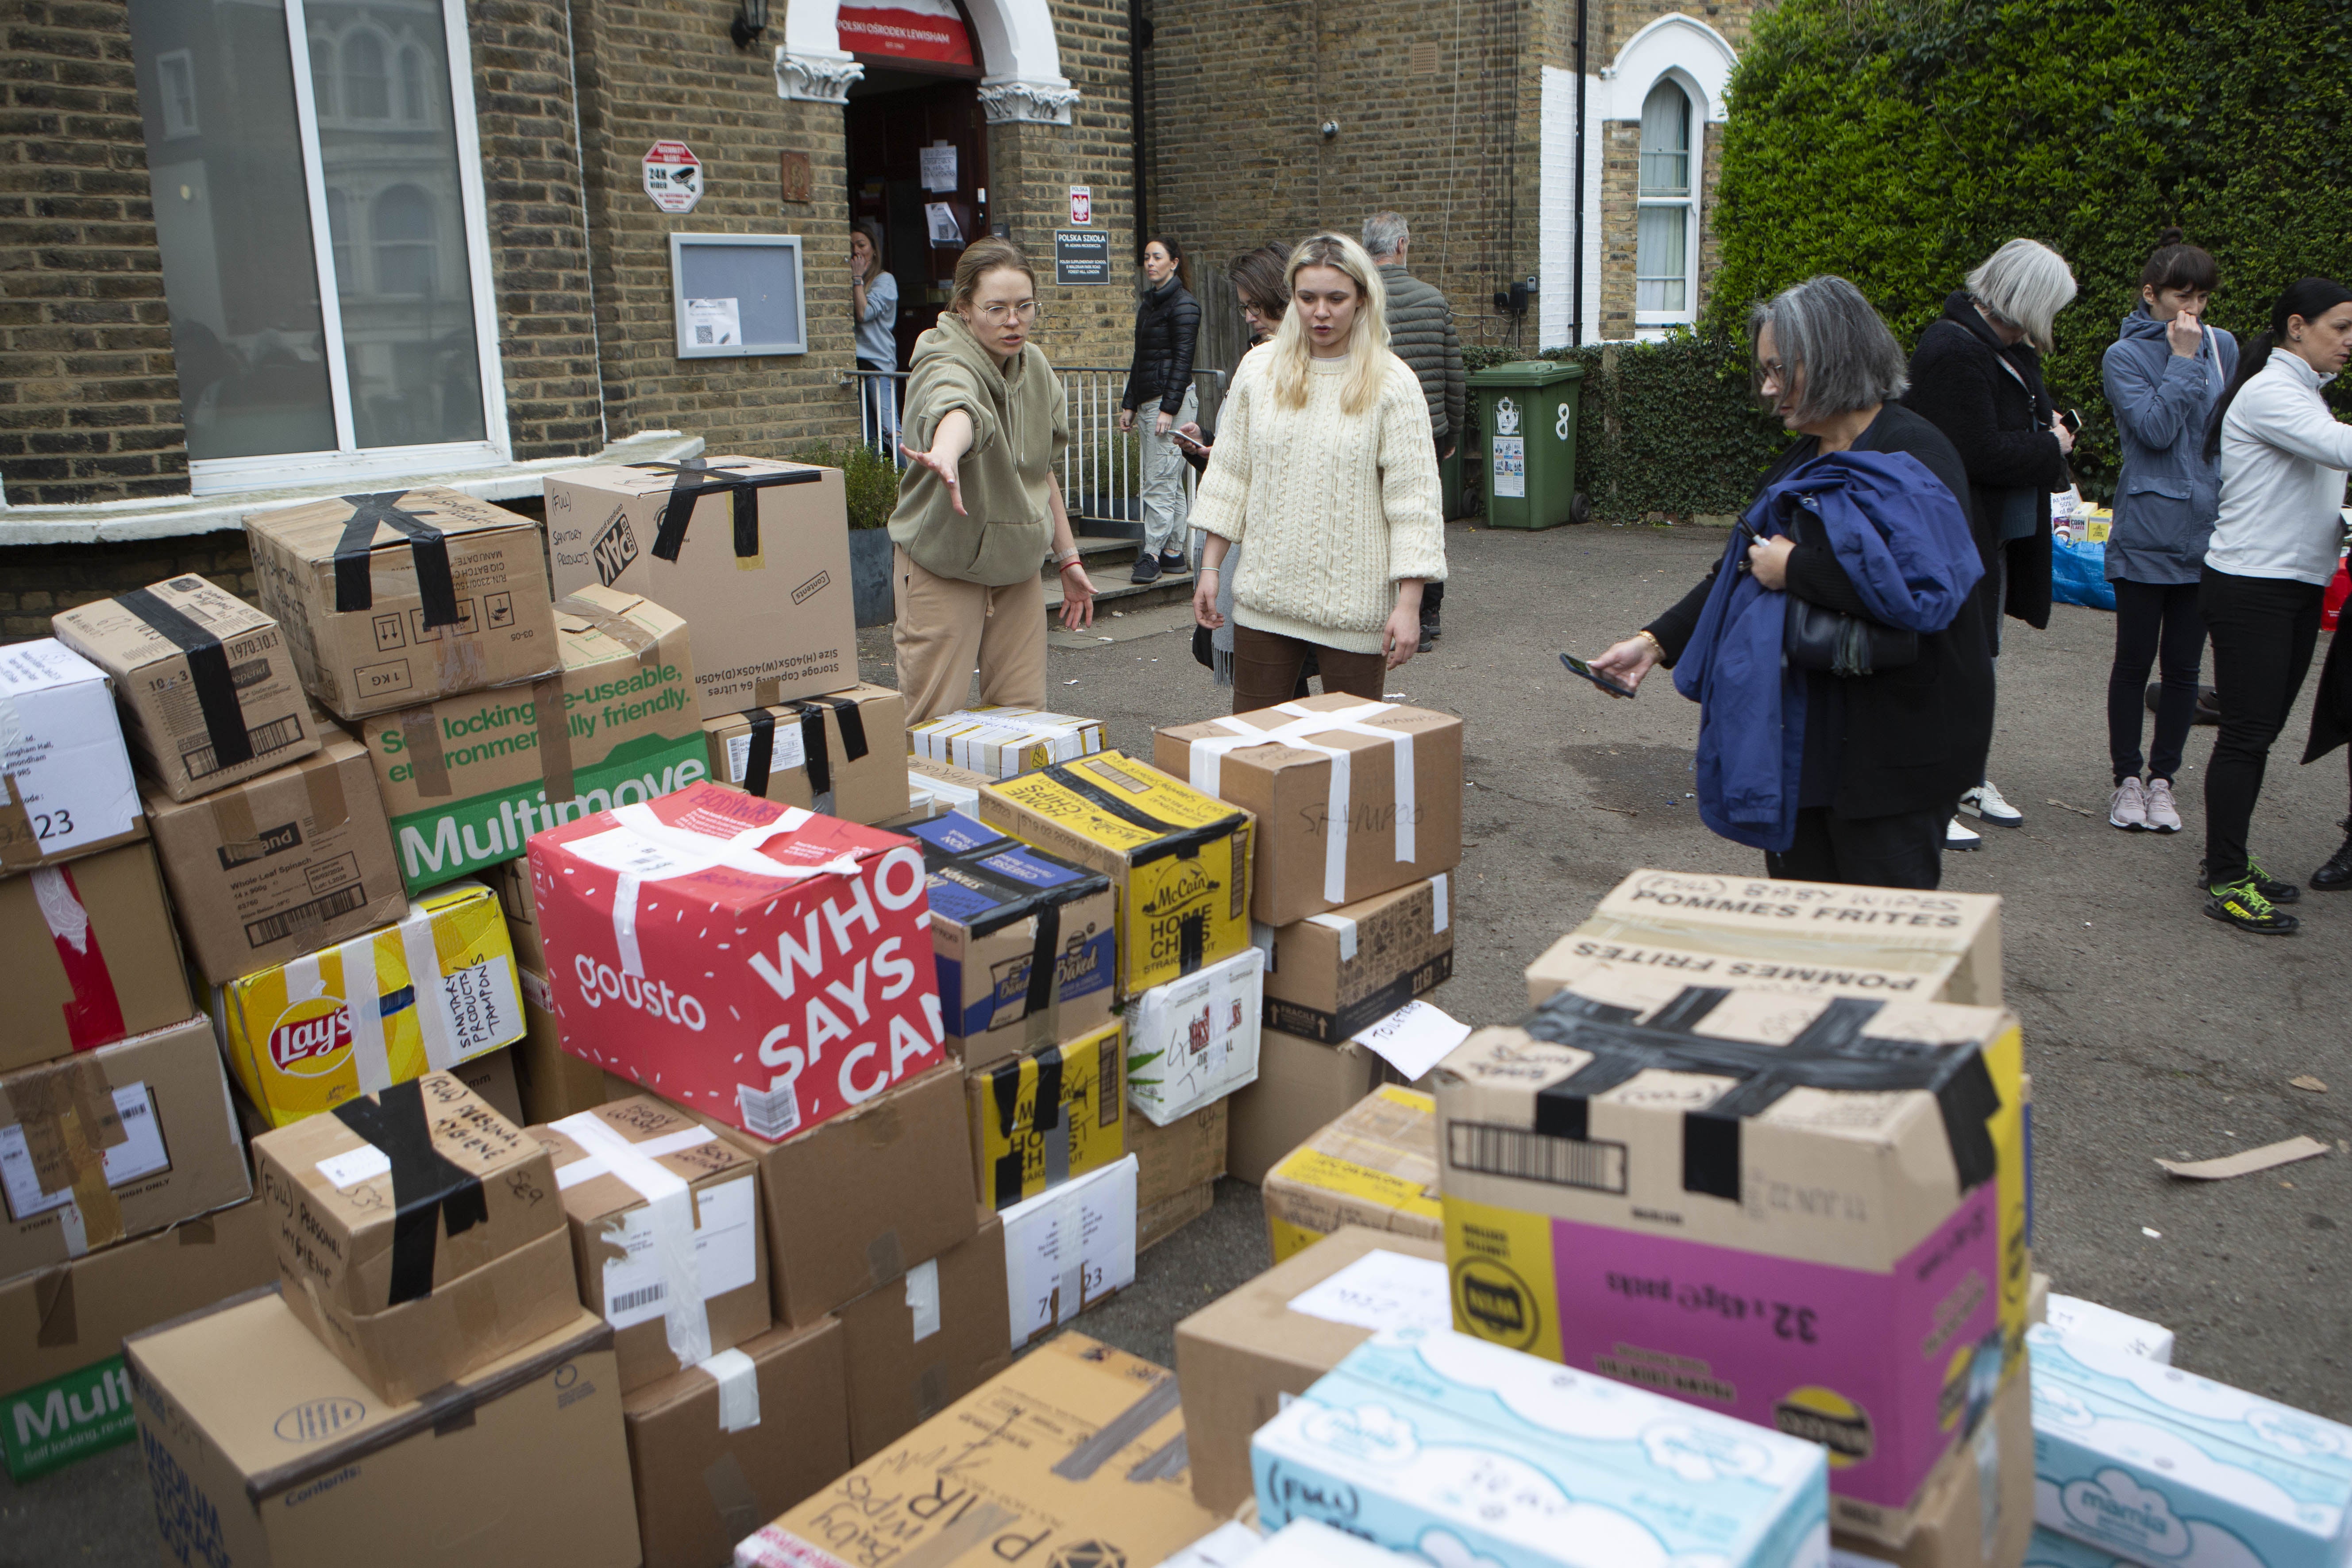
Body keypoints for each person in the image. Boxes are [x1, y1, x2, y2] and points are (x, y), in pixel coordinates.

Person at [1588, 276, 1990, 889]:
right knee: (1805, 937)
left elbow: (1926, 594)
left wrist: (1795, 568)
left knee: (1880, 953)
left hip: (1892, 759)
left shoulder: (1915, 454)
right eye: (1764, 371)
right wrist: (1654, 641)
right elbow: (1742, 568)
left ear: (1831, 357)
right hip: (1805, 750)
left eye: (1779, 369)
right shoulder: (1806, 454)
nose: (1768, 388)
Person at [1189, 232, 1446, 710]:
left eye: (1336, 298)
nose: (1320, 312)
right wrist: (1210, 568)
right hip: (1263, 601)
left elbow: (1414, 505)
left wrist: (1409, 605)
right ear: (1292, 298)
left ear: (1363, 299)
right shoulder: (1258, 370)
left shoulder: (1394, 383)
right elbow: (1230, 476)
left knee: (1349, 756)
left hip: (1356, 608)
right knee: (1257, 751)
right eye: (1307, 298)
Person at [1904, 237, 2078, 850]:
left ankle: (1964, 777)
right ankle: (1929, 792)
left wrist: (2044, 432)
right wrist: (2049, 446)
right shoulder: (1952, 349)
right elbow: (1970, 451)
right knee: (1949, 661)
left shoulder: (2000, 345)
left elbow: (2019, 419)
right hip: (1955, 532)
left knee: (1978, 658)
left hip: (1992, 533)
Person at [2193, 276, 2352, 932]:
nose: (2348, 342)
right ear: (2295, 327)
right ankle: (2226, 877)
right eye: (2339, 328)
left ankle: (2228, 859)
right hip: (2253, 587)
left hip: (2288, 585)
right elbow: (2343, 448)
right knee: (2246, 735)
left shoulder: (2303, 394)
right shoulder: (2269, 393)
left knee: (2256, 733)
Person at [890, 238, 1098, 724]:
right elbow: (958, 406)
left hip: (1016, 564)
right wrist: (945, 450)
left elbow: (1038, 469)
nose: (1013, 321)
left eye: (1024, 307)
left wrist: (1067, 559)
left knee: (1024, 719)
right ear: (963, 307)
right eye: (997, 308)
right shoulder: (944, 359)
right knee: (930, 720)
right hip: (946, 559)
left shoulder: (1037, 367)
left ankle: (1004, 804)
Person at [2099, 231, 2237, 834]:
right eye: (2180, 298)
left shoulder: (2223, 345)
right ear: (2149, 295)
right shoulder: (2122, 356)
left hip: (2205, 530)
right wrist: (2181, 361)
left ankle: (2163, 781)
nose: (2192, 312)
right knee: (2133, 660)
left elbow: (2225, 434)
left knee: (2183, 667)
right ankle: (2125, 778)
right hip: (2145, 525)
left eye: (2201, 299)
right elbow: (2153, 430)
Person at [1183, 243, 1297, 690]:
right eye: (1244, 307)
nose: (1248, 316)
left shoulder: (1285, 366)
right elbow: (1241, 456)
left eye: (1255, 305)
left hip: (1275, 549)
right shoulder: (1255, 360)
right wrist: (1209, 448)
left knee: (1281, 679)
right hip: (1242, 536)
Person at [1363, 212, 1465, 651]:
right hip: (1429, 428)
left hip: (1371, 427)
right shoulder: (1432, 298)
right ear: (1402, 245)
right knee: (1423, 516)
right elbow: (1454, 372)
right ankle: (1428, 614)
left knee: (1376, 516)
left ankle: (1383, 607)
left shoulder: (1359, 299)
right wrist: (1453, 431)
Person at [1121, 235, 1201, 585]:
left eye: (1157, 257)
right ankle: (1173, 552)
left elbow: (1184, 361)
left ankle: (1151, 554)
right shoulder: (1149, 305)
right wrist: (1130, 402)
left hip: (1172, 404)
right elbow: (1141, 359)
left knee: (1159, 481)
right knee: (1170, 481)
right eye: (1146, 257)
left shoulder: (1185, 305)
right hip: (1151, 401)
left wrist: (1170, 408)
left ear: (1174, 262)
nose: (1150, 263)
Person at [850, 219, 899, 451]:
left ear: (874, 249)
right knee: (869, 437)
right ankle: (877, 484)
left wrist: (858, 279)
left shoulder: (885, 281)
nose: (856, 252)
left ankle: (916, 478)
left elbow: (864, 313)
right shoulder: (855, 284)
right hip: (860, 366)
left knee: (890, 430)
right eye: (852, 247)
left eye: (861, 245)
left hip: (878, 366)